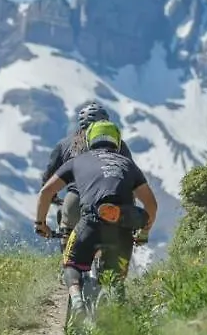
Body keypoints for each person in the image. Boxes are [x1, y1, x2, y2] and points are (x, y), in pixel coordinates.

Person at [35, 120, 157, 309]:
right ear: (117, 141)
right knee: (115, 280)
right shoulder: (128, 164)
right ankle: (114, 311)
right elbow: (151, 205)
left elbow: (46, 192)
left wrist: (40, 223)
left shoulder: (76, 162)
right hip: (122, 228)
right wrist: (143, 234)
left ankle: (76, 301)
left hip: (90, 223)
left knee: (71, 265)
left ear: (89, 140)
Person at [39, 101, 134, 236]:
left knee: (68, 237)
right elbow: (131, 179)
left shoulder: (64, 145)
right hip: (112, 203)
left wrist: (53, 200)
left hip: (75, 201)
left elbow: (48, 180)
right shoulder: (119, 144)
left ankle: (67, 245)